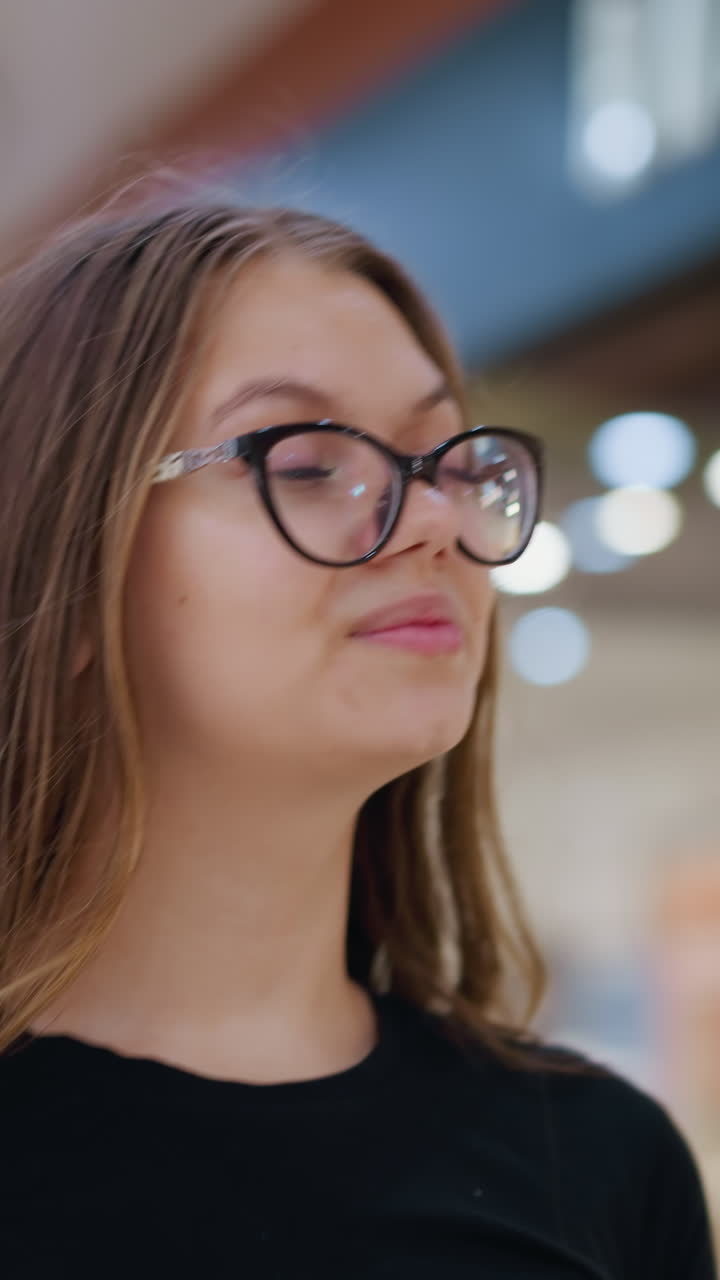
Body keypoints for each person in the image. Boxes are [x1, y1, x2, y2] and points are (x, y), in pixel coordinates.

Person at [0, 194, 714, 1280]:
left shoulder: (601, 1164)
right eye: (308, 462)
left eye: (450, 463)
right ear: (67, 551)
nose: (433, 520)